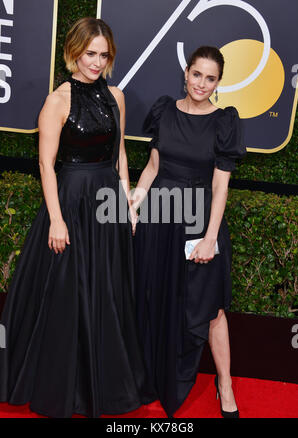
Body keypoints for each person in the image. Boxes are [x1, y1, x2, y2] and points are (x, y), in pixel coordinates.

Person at [0, 17, 153, 418]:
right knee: (69, 291)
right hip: (71, 199)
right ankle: (65, 382)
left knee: (108, 290)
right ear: (73, 52)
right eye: (90, 54)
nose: (96, 62)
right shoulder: (57, 101)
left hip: (106, 200)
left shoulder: (116, 96)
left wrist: (128, 202)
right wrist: (56, 220)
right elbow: (46, 165)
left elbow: (119, 154)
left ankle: (106, 378)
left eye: (104, 55)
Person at [131, 46, 246, 418]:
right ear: (186, 73)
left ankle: (224, 383)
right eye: (197, 74)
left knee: (209, 309)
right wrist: (133, 204)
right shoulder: (164, 111)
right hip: (158, 219)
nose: (201, 83)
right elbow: (151, 168)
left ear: (218, 82)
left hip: (199, 223)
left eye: (210, 78)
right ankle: (148, 375)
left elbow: (220, 187)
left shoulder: (224, 122)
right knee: (153, 296)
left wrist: (211, 237)